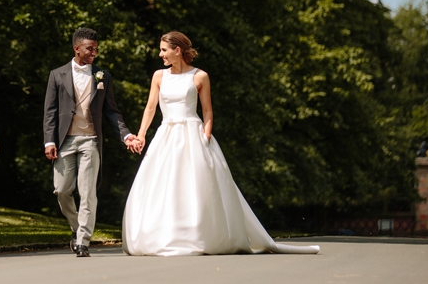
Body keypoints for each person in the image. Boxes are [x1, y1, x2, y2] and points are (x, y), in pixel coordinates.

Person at [122, 31, 320, 256]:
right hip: (166, 134)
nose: (160, 54)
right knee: (162, 185)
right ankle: (161, 236)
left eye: (164, 50)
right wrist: (142, 134)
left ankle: (201, 235)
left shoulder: (200, 76)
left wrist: (205, 136)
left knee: (196, 186)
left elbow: (207, 110)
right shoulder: (159, 76)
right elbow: (150, 107)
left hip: (192, 134)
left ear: (177, 51)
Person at [44, 27, 142, 258]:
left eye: (96, 49)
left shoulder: (102, 76)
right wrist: (49, 141)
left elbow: (112, 112)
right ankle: (76, 228)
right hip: (64, 141)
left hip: (90, 140)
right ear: (76, 48)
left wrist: (126, 135)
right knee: (61, 190)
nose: (94, 53)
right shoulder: (57, 75)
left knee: (87, 192)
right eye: (90, 49)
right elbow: (50, 112)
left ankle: (83, 241)